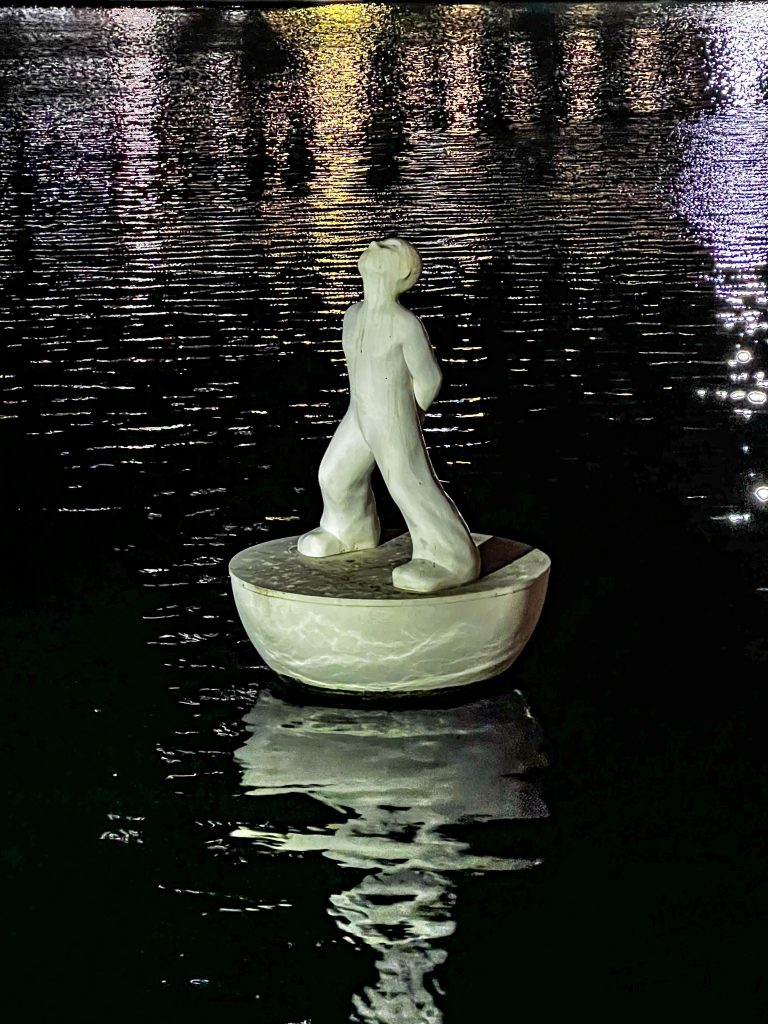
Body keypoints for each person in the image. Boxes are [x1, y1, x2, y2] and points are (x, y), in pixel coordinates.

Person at [298, 237, 480, 594]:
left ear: (404, 273)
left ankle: (452, 557)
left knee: (409, 486)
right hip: (360, 413)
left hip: (392, 418)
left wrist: (410, 418)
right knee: (334, 474)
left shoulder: (404, 324)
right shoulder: (353, 315)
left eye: (390, 247)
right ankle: (349, 529)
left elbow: (430, 378)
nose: (376, 243)